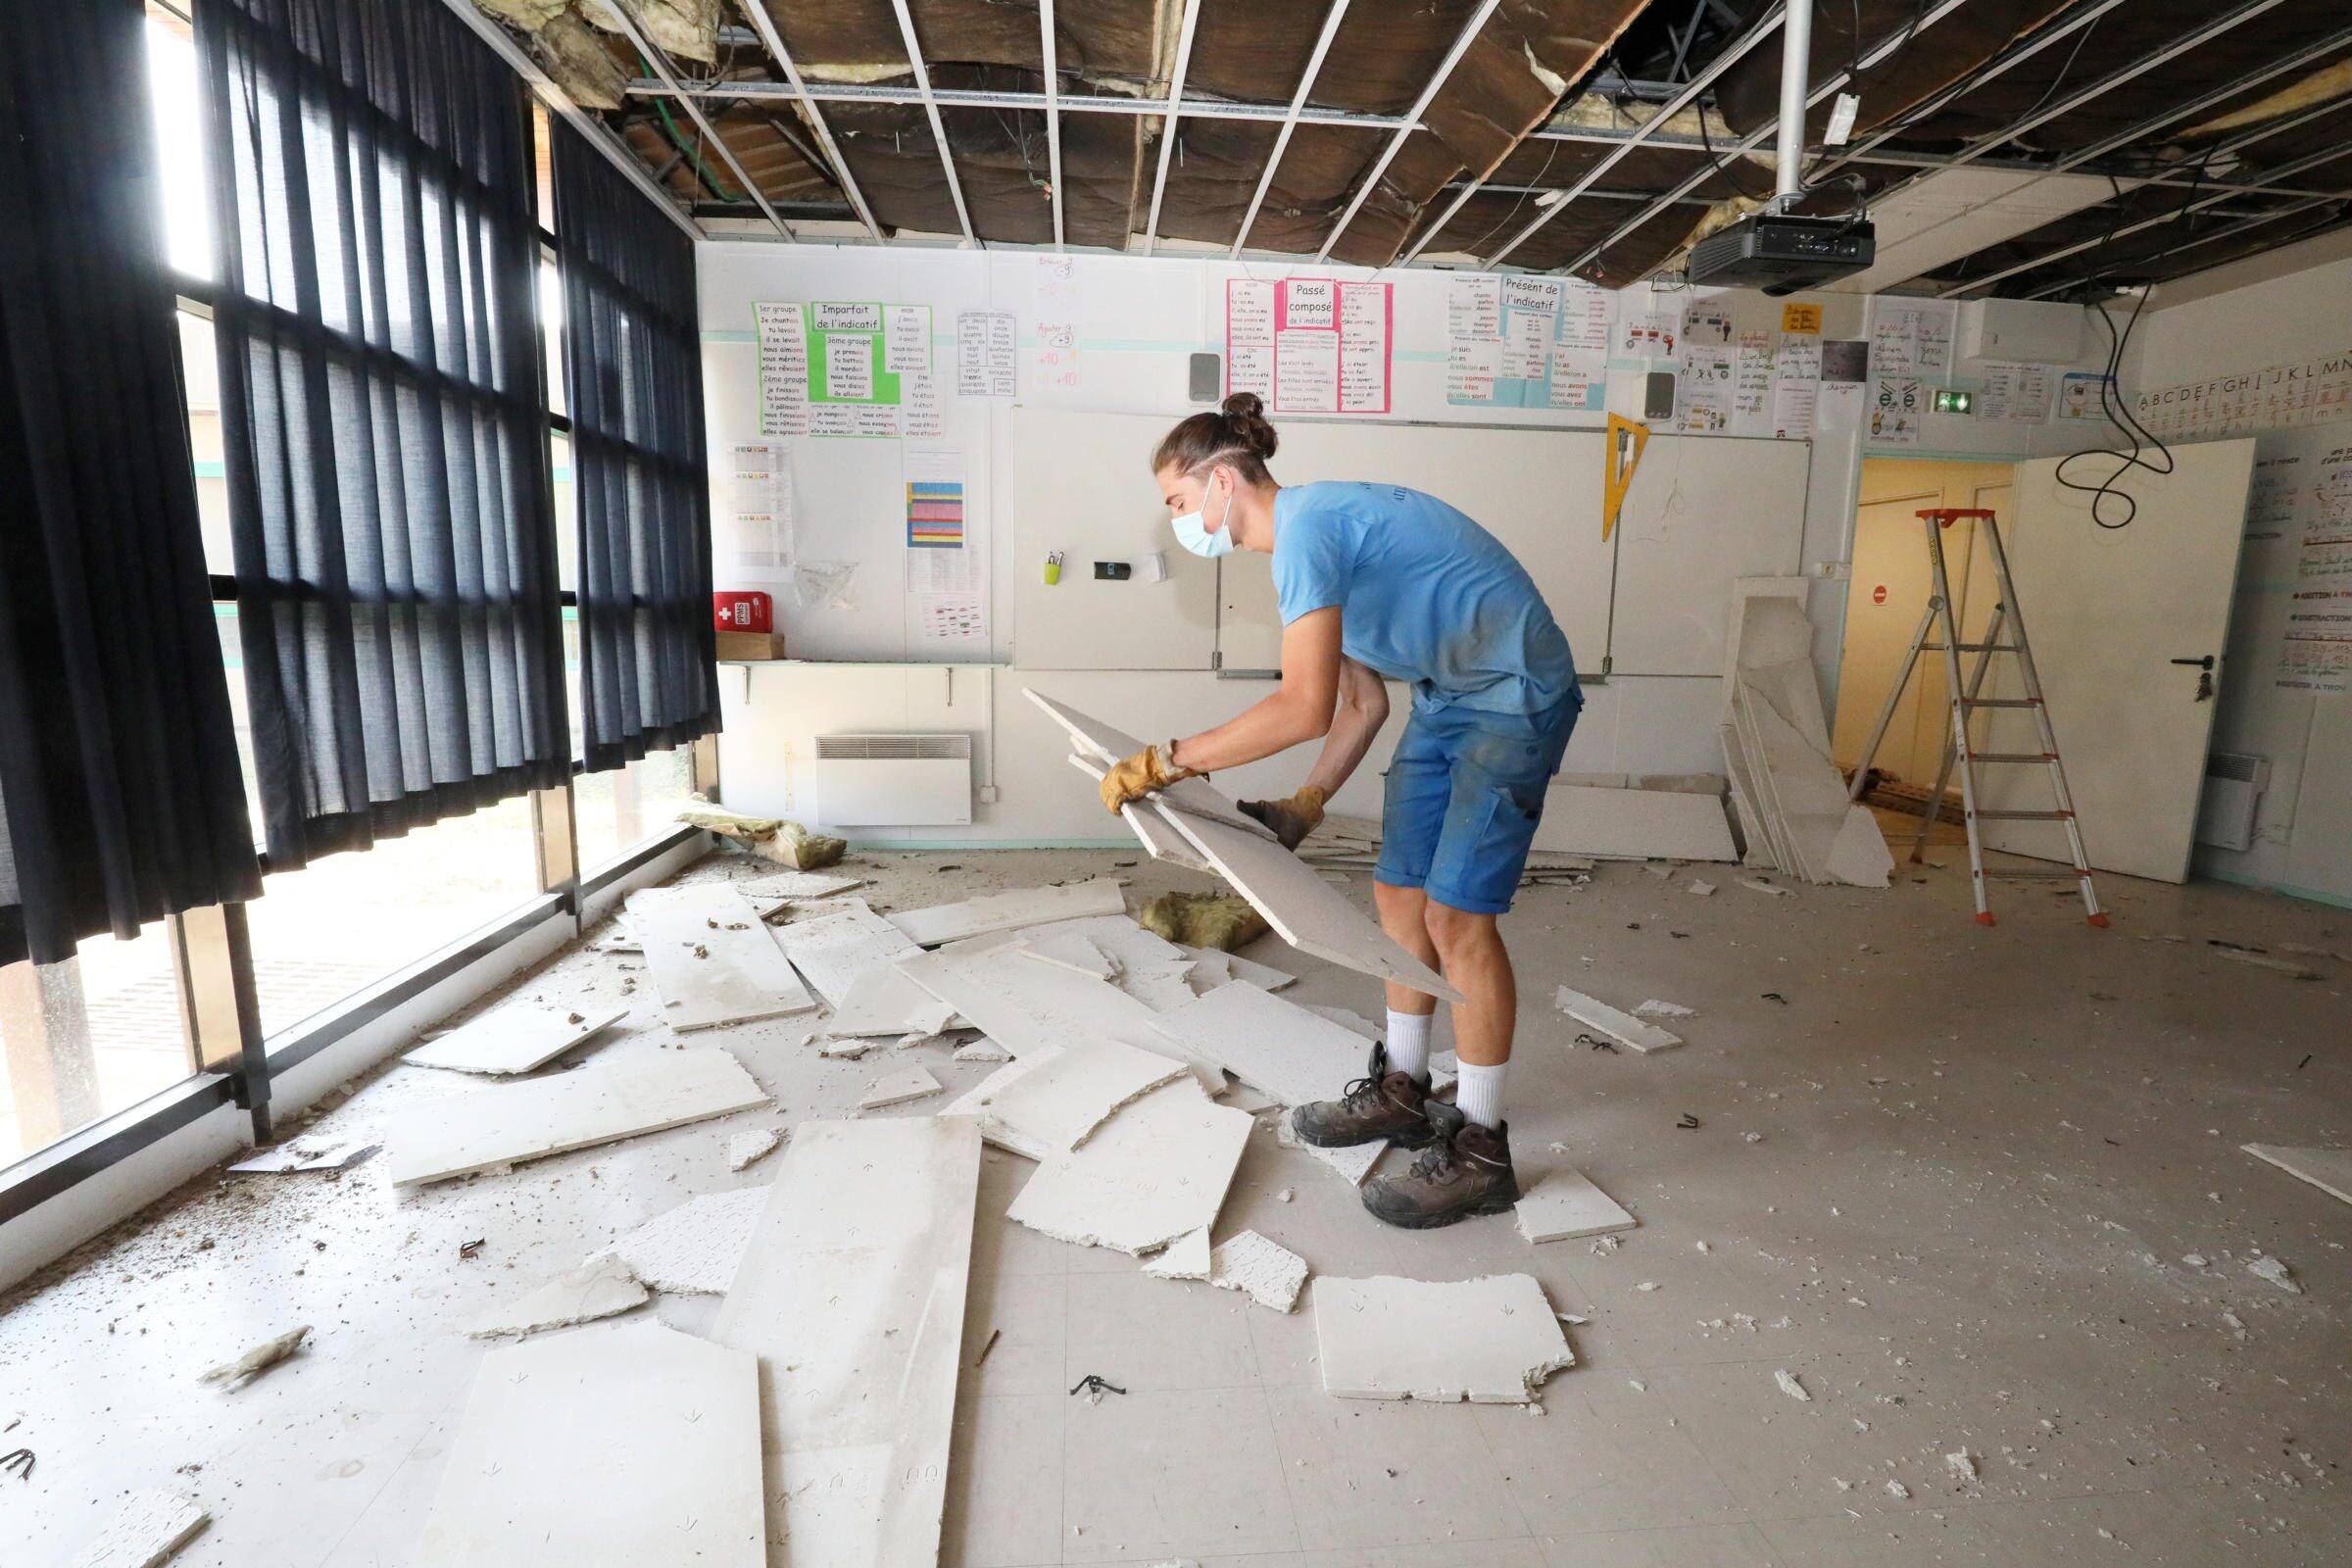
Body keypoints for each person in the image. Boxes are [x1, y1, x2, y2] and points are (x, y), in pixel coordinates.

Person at [1099, 393, 1581, 1229]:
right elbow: (1361, 705)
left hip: (1514, 693)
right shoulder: (1306, 551)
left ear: (1222, 482)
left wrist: (1166, 761)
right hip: (1449, 696)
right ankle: (1405, 1086)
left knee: (1456, 917)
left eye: (1178, 501)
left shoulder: (1311, 530)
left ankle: (1481, 1151)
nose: (1179, 521)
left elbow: (1302, 708)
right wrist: (1307, 804)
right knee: (1397, 895)